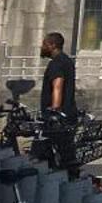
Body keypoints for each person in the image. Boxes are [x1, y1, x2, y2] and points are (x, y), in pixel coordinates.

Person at [39, 31, 79, 163]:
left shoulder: (56, 64)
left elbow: (58, 85)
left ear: (52, 45)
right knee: (66, 154)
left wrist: (54, 112)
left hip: (58, 120)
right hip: (69, 114)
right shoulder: (67, 60)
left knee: (43, 154)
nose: (42, 47)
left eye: (44, 44)